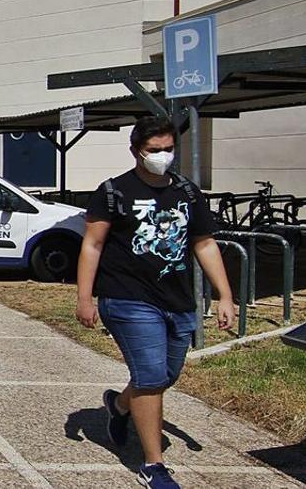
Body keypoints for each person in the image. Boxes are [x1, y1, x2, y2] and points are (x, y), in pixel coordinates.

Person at [76, 118, 235, 489]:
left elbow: (204, 243)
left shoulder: (187, 192)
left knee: (164, 376)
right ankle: (154, 465)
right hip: (128, 297)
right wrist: (85, 298)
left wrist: (225, 295)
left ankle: (119, 406)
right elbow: (92, 244)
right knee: (150, 377)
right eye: (154, 151)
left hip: (176, 300)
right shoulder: (114, 191)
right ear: (136, 152)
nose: (163, 157)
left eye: (168, 149)